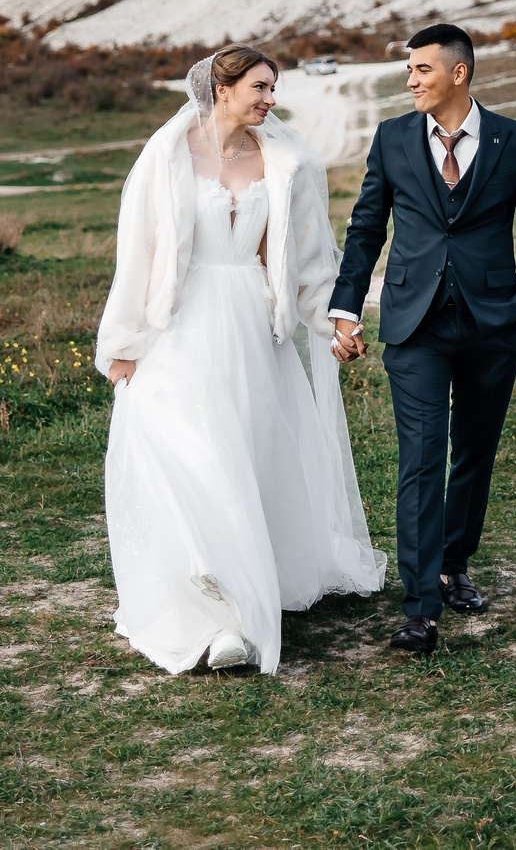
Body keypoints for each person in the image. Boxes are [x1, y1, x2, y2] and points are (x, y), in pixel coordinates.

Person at [97, 45, 387, 674]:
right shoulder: (167, 156)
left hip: (254, 331)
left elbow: (306, 261)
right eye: (260, 87)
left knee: (248, 458)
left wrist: (335, 321)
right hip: (182, 329)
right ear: (222, 89)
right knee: (192, 454)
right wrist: (121, 345)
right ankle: (220, 610)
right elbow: (138, 253)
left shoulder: (284, 163)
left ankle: (244, 589)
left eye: (272, 89)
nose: (270, 100)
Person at [329, 22, 516, 654]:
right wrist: (347, 307)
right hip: (414, 324)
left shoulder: (515, 140)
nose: (411, 81)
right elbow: (366, 228)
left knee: (475, 452)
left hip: (494, 324)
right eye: (409, 70)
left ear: (459, 73)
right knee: (423, 458)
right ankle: (421, 608)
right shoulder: (392, 138)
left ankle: (455, 564)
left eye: (421, 69)